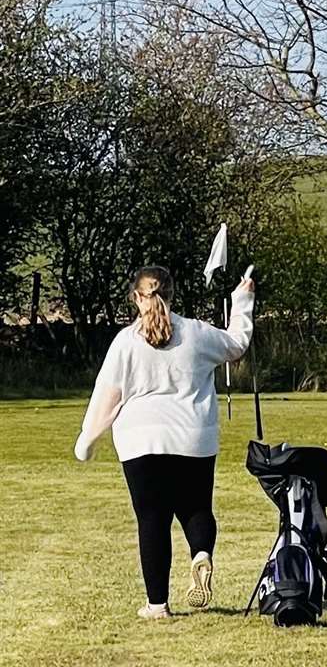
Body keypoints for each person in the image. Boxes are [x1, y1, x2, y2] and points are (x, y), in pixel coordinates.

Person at [74, 265, 255, 619]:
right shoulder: (198, 334)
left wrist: (88, 440)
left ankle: (157, 605)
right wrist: (242, 299)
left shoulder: (126, 341)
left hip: (141, 440)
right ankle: (201, 553)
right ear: (172, 294)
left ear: (136, 298)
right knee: (197, 507)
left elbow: (107, 396)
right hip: (194, 437)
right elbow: (237, 344)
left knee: (152, 519)